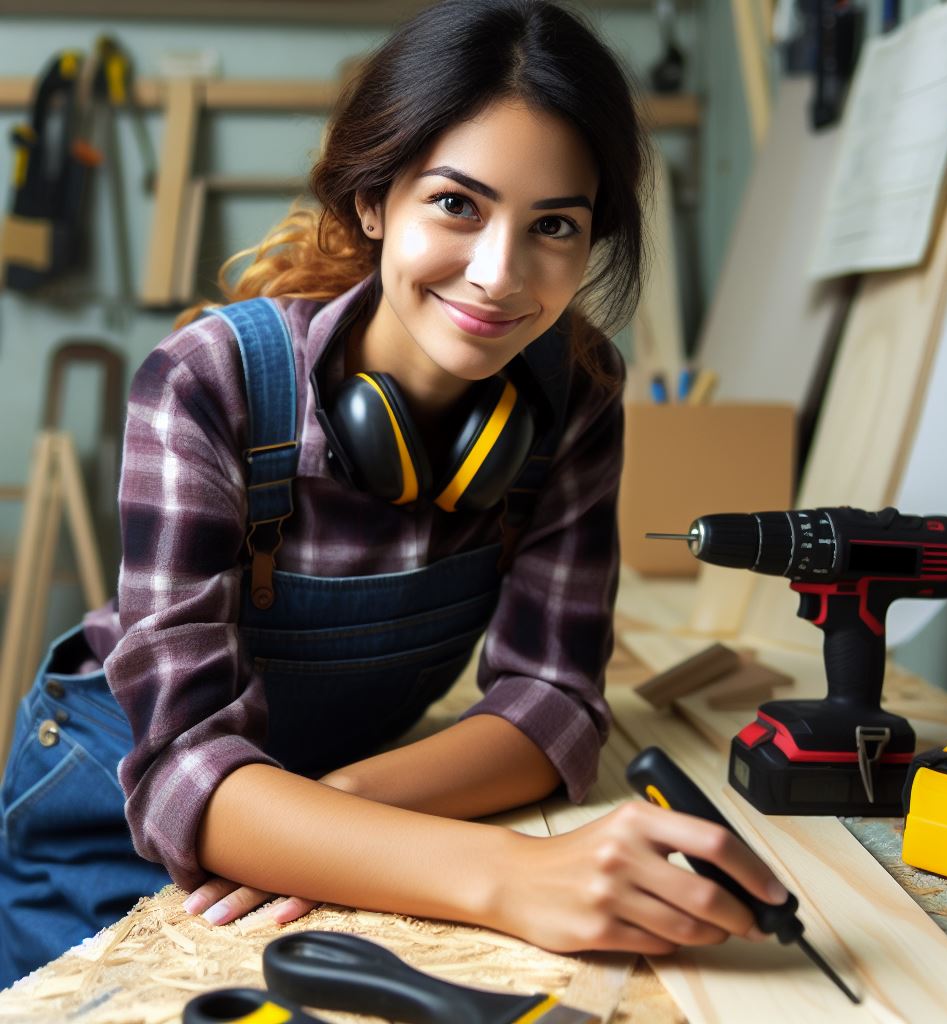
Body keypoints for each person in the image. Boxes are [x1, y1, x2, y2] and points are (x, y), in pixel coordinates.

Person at [0, 0, 789, 988]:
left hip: (329, 828)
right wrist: (510, 874)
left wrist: (329, 820)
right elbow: (185, 773)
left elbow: (553, 701)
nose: (500, 276)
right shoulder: (207, 383)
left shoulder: (574, 397)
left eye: (553, 225)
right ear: (374, 201)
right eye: (457, 204)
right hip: (105, 841)